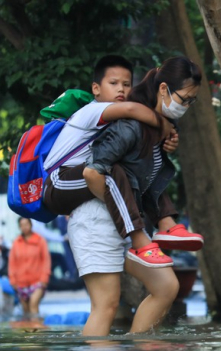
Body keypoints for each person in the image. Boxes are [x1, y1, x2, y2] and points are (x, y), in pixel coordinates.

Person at [67, 57, 203, 335]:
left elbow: (145, 183)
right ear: (163, 90)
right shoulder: (128, 125)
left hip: (126, 225)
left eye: (192, 102)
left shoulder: (158, 131)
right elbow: (95, 172)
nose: (186, 107)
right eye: (184, 99)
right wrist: (126, 217)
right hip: (98, 221)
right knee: (106, 305)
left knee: (166, 287)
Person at [42, 55, 203, 269]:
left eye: (127, 84)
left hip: (81, 179)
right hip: (59, 182)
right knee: (113, 171)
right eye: (113, 83)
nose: (122, 90)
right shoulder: (93, 110)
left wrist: (166, 136)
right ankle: (140, 239)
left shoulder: (117, 118)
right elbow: (131, 109)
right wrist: (162, 123)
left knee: (134, 168)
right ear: (96, 88)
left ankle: (166, 223)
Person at [8, 217, 51, 316]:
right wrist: (13, 281)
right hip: (21, 283)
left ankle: (37, 329)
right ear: (19, 227)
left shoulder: (40, 240)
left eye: (26, 224)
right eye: (22, 225)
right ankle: (29, 329)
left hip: (37, 282)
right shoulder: (16, 243)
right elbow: (12, 263)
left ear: (31, 225)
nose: (25, 227)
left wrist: (44, 279)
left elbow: (46, 260)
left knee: (33, 304)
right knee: (26, 311)